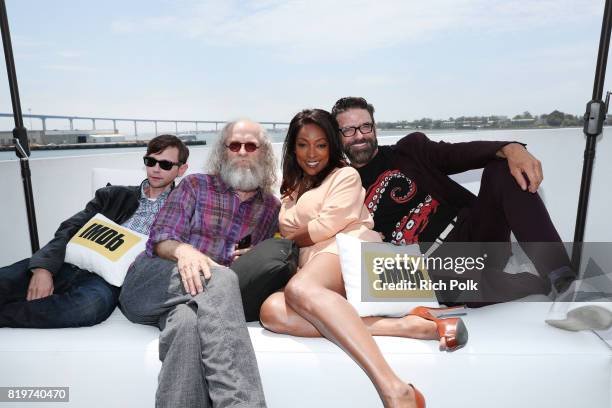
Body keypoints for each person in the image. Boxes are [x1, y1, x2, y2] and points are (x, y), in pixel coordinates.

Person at [260, 109, 466, 408]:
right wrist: (303, 232)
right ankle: (405, 326)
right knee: (272, 312)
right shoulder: (290, 191)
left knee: (299, 290)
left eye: (321, 144)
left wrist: (297, 234)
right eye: (303, 144)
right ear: (292, 148)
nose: (312, 153)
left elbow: (324, 228)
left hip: (351, 251)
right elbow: (306, 230)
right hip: (318, 265)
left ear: (332, 146)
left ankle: (394, 388)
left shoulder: (345, 175)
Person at [330, 96, 577, 304]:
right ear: (337, 136)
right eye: (349, 130)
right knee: (422, 279)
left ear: (375, 128)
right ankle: (531, 284)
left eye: (365, 127)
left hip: (474, 237)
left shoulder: (409, 150)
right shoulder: (340, 187)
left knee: (502, 169)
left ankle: (564, 281)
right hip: (430, 268)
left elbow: (459, 154)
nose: (360, 135)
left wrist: (511, 148)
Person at [119, 119, 279, 408]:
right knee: (221, 278)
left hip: (196, 302)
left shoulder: (270, 207)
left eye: (251, 146)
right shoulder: (196, 185)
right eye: (234, 145)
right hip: (151, 282)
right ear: (223, 151)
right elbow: (160, 239)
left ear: (264, 153)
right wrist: (185, 251)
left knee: (187, 325)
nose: (242, 152)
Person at [0, 134, 188, 328]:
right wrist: (43, 269)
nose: (156, 169)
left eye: (165, 164)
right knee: (4, 281)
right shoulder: (113, 195)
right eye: (151, 161)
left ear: (181, 169)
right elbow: (69, 228)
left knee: (89, 307)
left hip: (108, 281)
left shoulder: (183, 209)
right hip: (68, 261)